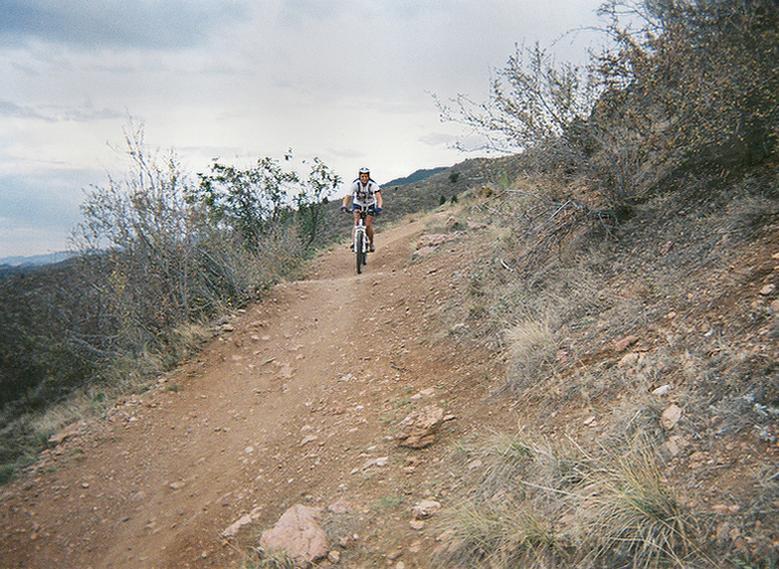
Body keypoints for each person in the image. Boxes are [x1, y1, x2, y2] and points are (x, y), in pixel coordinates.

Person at [340, 167, 383, 252]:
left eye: (366, 176)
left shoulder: (372, 185)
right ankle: (354, 242)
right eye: (362, 176)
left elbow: (379, 197)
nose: (364, 178)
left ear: (368, 176)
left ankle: (371, 243)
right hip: (358, 204)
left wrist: (379, 207)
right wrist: (344, 205)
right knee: (356, 222)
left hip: (370, 205)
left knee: (367, 225)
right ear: (360, 176)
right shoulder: (355, 184)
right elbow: (348, 196)